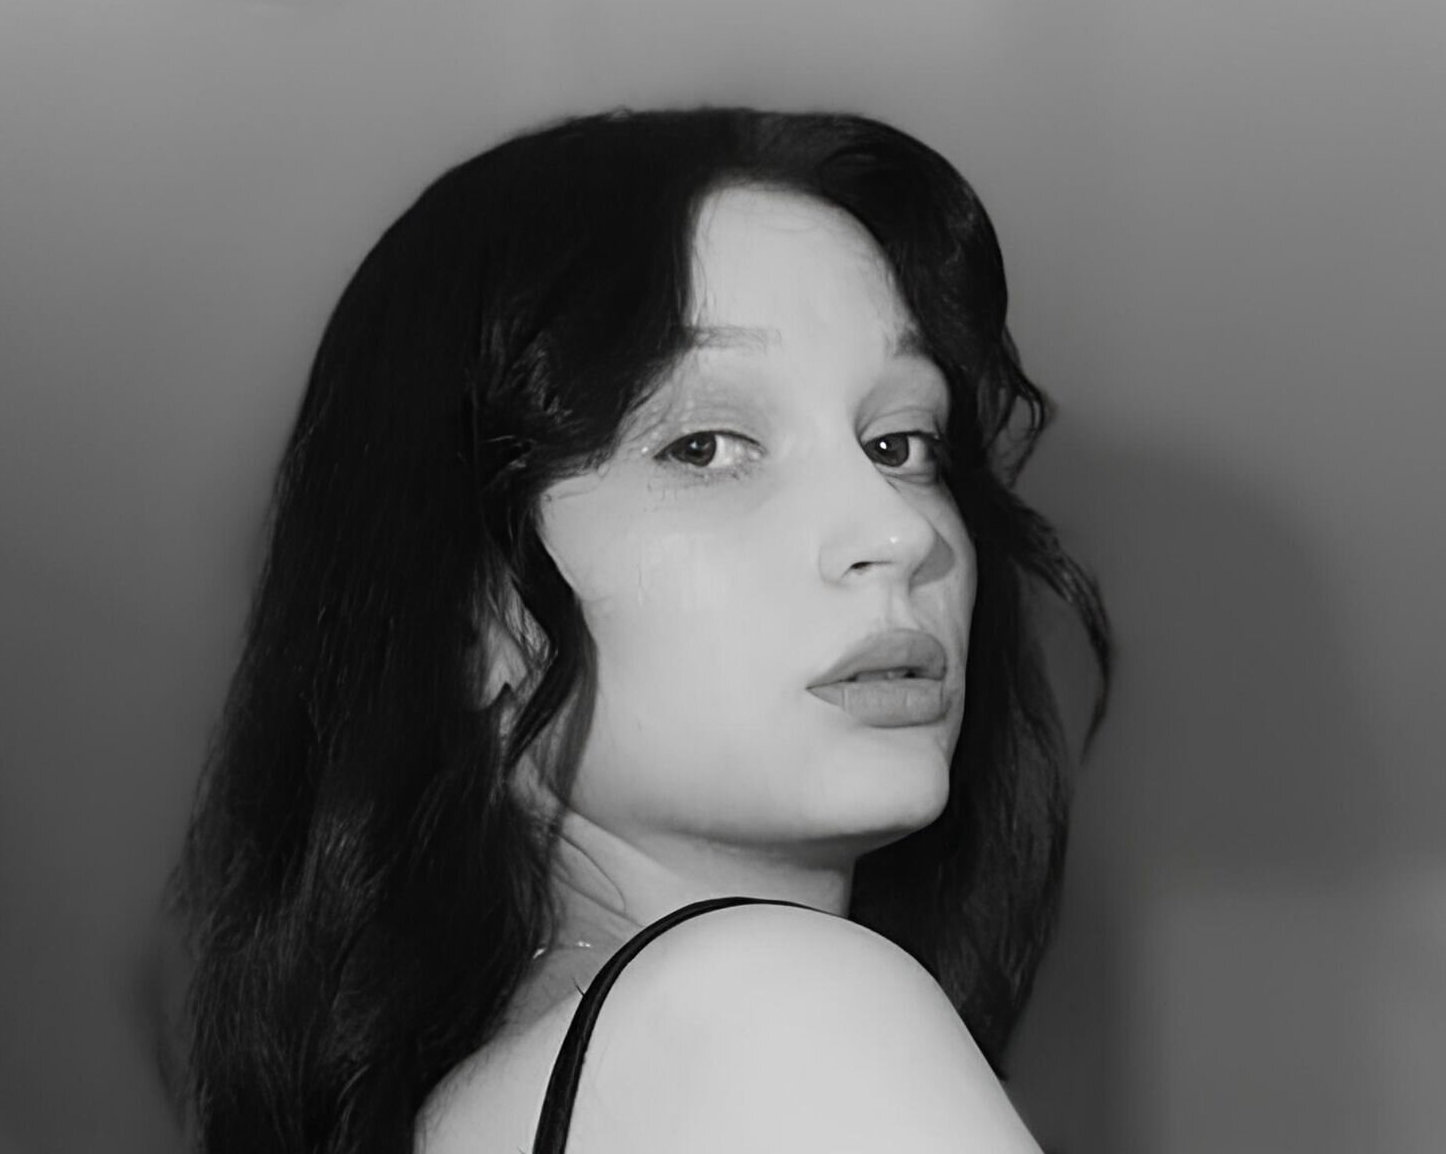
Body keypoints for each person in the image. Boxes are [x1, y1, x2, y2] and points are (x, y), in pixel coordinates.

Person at [168, 107, 1113, 1154]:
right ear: (482, 612)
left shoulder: (480, 1101)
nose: (899, 532)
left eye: (901, 442)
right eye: (705, 445)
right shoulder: (774, 1020)